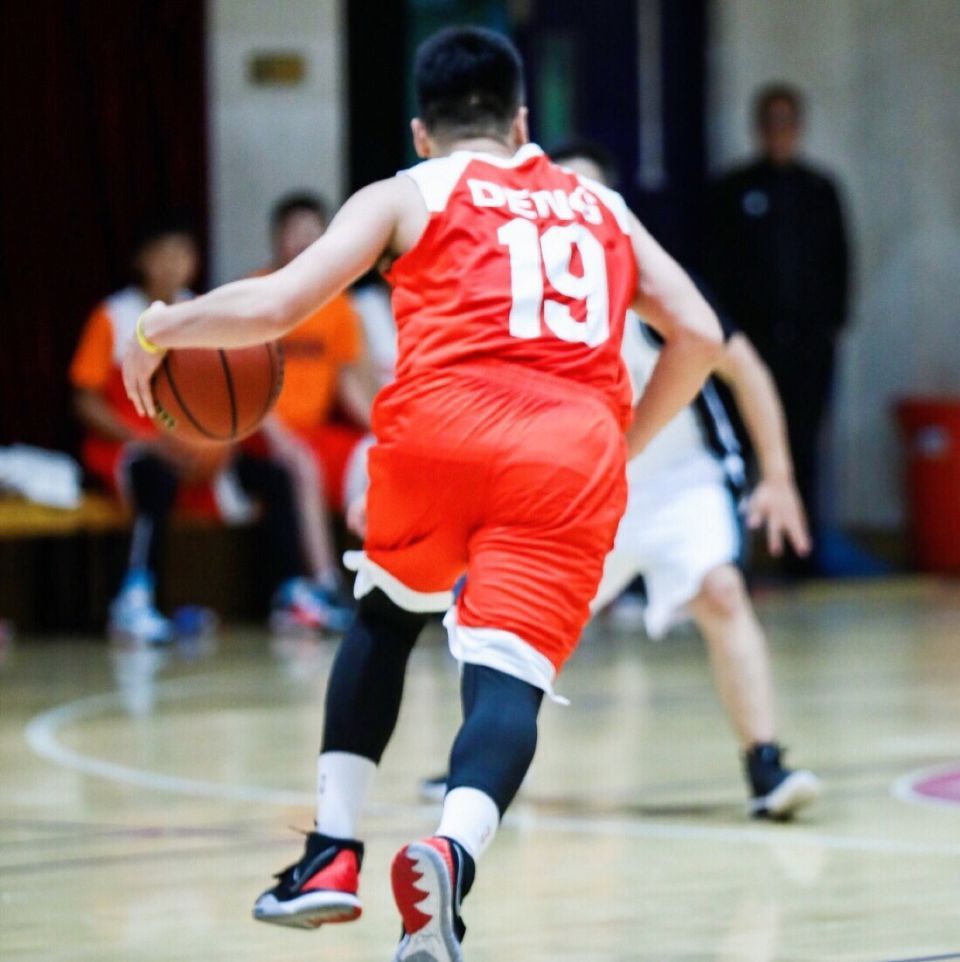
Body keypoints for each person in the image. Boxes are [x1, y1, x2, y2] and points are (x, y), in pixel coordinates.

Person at [122, 27, 722, 961]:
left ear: (420, 131)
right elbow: (699, 334)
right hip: (568, 452)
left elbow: (278, 304)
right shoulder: (600, 206)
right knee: (509, 678)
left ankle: (330, 853)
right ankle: (451, 852)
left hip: (439, 432)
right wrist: (622, 444)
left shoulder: (407, 191)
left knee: (387, 614)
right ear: (522, 121)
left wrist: (161, 328)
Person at [420, 144, 822, 820]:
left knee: (722, 591)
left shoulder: (655, 284)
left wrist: (778, 475)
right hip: (583, 489)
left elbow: (745, 367)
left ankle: (765, 765)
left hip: (678, 479)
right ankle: (478, 763)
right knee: (502, 614)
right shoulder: (520, 295)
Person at [70, 216, 315, 644]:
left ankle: (290, 593)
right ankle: (134, 598)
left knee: (275, 478)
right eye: (165, 253)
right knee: (155, 480)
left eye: (184, 253)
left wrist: (220, 439)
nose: (175, 263)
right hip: (132, 446)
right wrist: (147, 439)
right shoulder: (112, 316)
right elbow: (84, 400)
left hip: (195, 444)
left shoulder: (203, 312)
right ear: (142, 261)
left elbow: (224, 393)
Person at [706, 84, 850, 574]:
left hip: (807, 348)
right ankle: (735, 557)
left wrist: (828, 330)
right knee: (739, 448)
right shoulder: (732, 191)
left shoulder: (819, 191)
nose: (779, 132)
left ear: (799, 127)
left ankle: (800, 556)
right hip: (751, 348)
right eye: (771, 122)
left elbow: (839, 266)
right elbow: (716, 268)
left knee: (804, 448)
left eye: (787, 122)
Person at [255, 193, 376, 629]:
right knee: (302, 464)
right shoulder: (255, 294)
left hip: (316, 432)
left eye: (313, 232)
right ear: (277, 237)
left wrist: (387, 428)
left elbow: (346, 383)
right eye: (295, 231)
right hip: (256, 431)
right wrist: (280, 438)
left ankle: (389, 584)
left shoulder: (337, 304)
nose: (304, 241)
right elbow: (243, 388)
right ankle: (325, 583)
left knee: (379, 455)